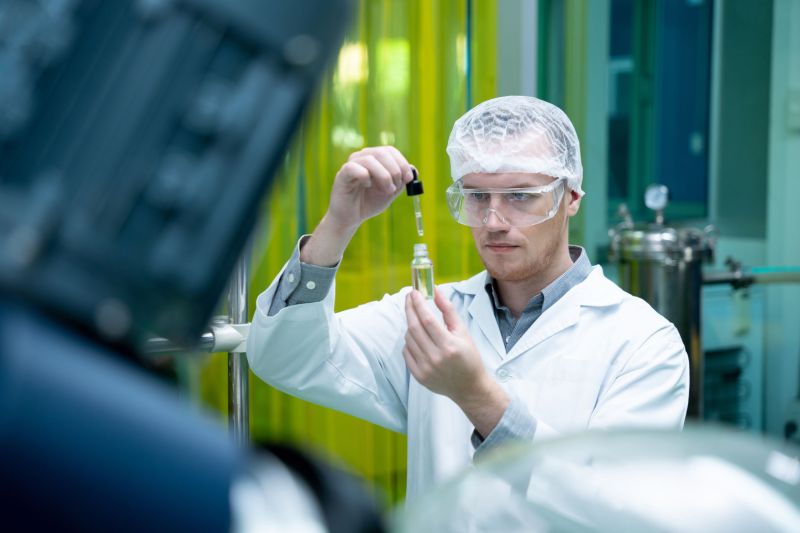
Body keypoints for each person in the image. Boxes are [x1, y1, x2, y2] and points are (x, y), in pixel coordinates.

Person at [247, 95, 689, 501]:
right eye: (477, 197)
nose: (493, 221)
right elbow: (284, 357)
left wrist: (475, 395)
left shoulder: (643, 342)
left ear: (570, 197)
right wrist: (339, 224)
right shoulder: (427, 315)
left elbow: (621, 504)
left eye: (520, 196)